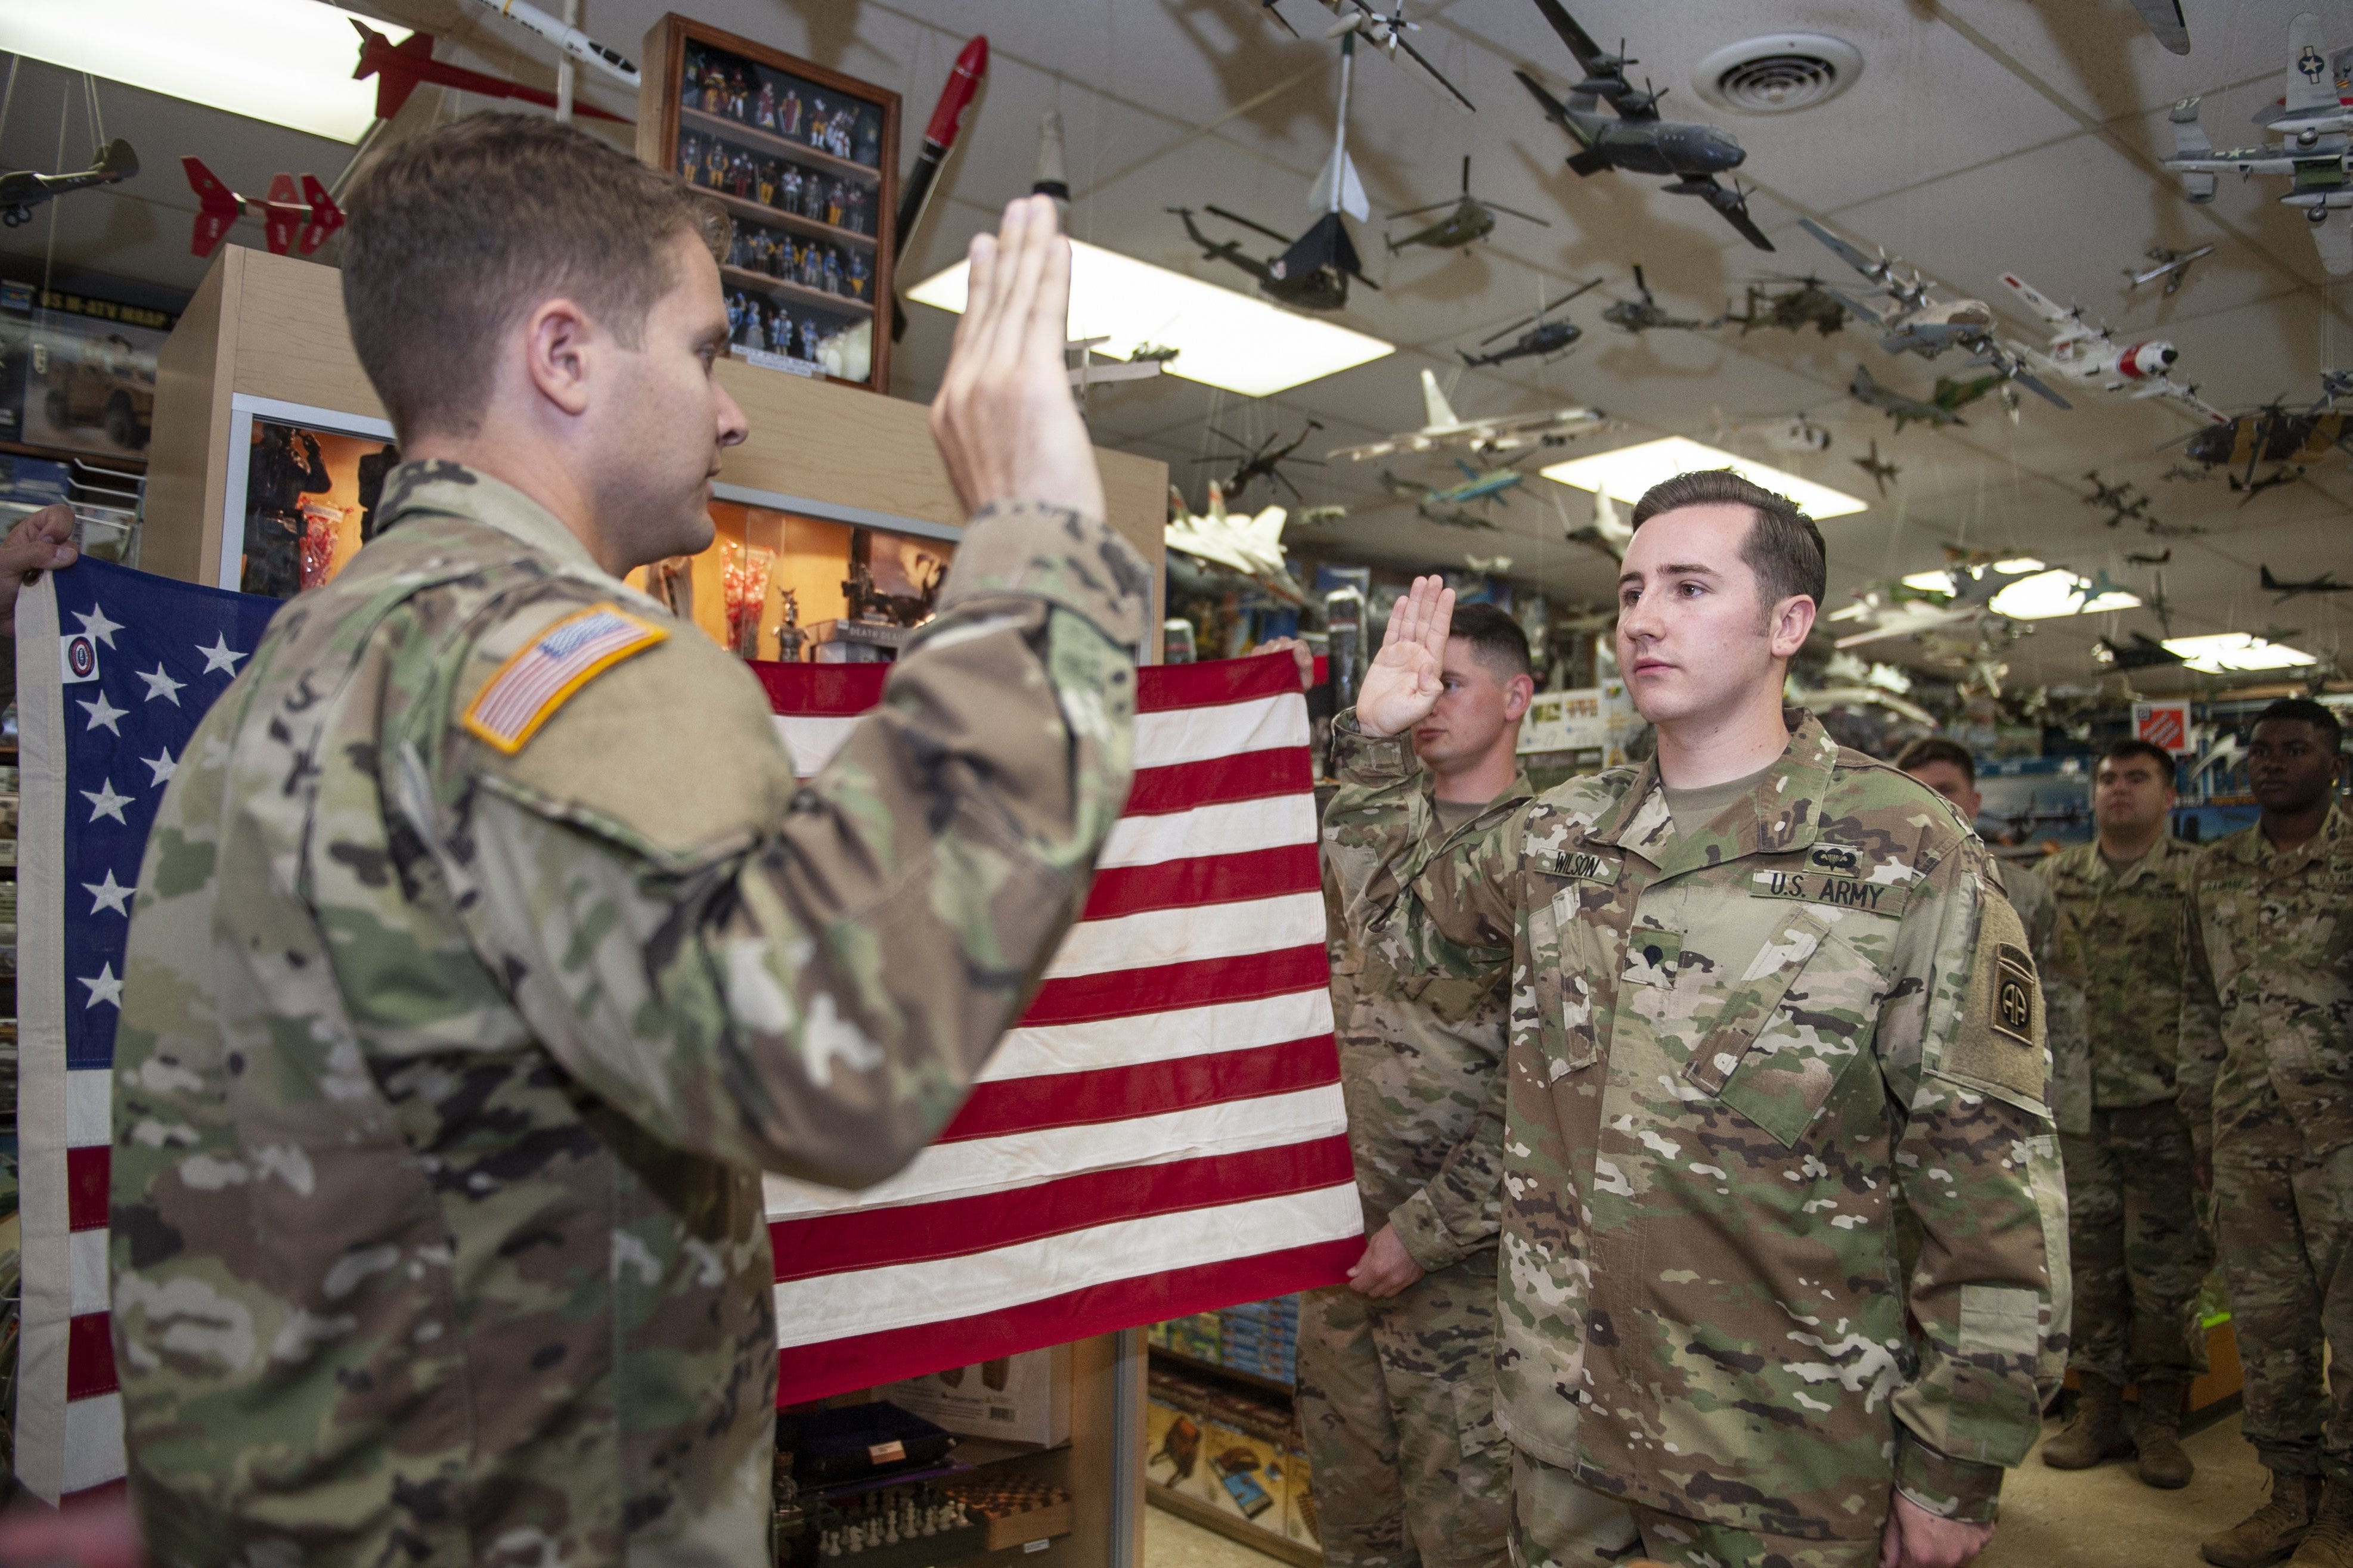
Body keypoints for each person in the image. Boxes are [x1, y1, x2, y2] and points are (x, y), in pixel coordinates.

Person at [108, 116, 1149, 1564]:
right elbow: (834, 1039)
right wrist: (1037, 533)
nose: (730, 414)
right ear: (564, 355)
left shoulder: (306, 659)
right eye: (708, 350)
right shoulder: (547, 660)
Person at [1327, 470, 2064, 1568]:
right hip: (1562, 1436)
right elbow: (1384, 927)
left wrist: (1958, 1462)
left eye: (1685, 587)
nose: (1641, 620)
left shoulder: (1908, 852)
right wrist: (1374, 741)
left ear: (1787, 623)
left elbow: (1990, 1183)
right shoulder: (1558, 834)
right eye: (1629, 593)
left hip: (1775, 1458)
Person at [1264, 603, 1536, 1568]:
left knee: (1464, 1540)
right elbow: (1313, 825)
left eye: (1449, 683)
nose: (1428, 702)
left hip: (1462, 1283)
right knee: (1353, 1531)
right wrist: (1371, 722)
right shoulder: (1378, 830)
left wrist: (1419, 1237)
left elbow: (1548, 1093)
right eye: (1418, 685)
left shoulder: (1548, 859)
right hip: (1340, 1267)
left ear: (1517, 698)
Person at [2181, 698, 2353, 1568]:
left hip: (2342, 1137)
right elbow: (2198, 1003)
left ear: (2333, 762)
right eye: (2258, 749)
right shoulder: (2214, 871)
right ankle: (2287, 1495)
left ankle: (2344, 1511)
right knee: (2267, 1327)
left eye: (2294, 748)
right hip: (2244, 1131)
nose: (2270, 762)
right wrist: (2198, 1115)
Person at [2025, 740, 2210, 1486]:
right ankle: (2096, 1408)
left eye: (2136, 778)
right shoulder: (2052, 880)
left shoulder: (2198, 879)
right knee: (2088, 1265)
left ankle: (2160, 1418)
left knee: (2164, 1268)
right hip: (2077, 1106)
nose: (2118, 791)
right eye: (2107, 779)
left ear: (2169, 793)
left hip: (2164, 1105)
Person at [1894, 737, 2056, 967]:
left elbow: (2058, 991)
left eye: (1946, 791)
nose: (1931, 802)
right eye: (1917, 791)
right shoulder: (1878, 889)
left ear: (1974, 803)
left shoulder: (2025, 895)